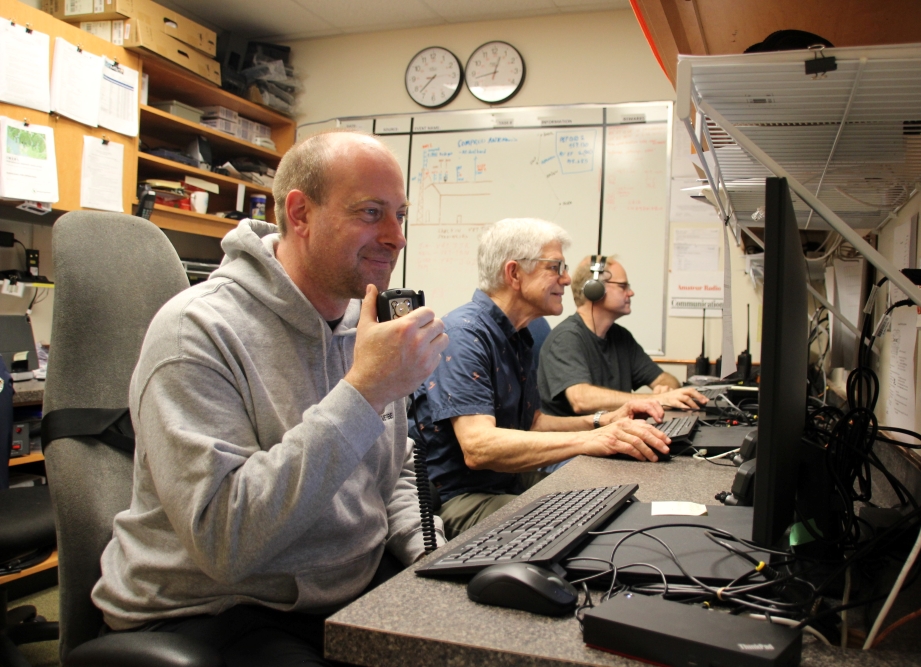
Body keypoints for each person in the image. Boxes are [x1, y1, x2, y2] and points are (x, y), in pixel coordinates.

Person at [91, 130, 449, 666]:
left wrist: (432, 555)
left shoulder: (364, 324)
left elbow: (395, 470)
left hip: (342, 583)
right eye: (372, 213)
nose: (396, 237)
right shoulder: (196, 331)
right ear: (300, 214)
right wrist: (365, 391)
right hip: (220, 604)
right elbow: (225, 543)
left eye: (400, 214)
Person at [408, 219, 670, 539]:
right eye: (555, 267)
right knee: (584, 529)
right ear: (514, 273)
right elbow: (479, 447)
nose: (566, 278)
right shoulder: (464, 335)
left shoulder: (521, 333)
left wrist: (602, 422)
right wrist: (592, 440)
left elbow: (532, 424)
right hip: (463, 497)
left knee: (615, 496)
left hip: (509, 479)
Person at [538, 255, 707, 418]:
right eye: (623, 286)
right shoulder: (566, 338)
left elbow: (663, 378)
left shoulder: (620, 336)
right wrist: (655, 399)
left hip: (612, 438)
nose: (631, 293)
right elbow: (581, 399)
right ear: (595, 289)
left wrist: (667, 391)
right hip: (579, 444)